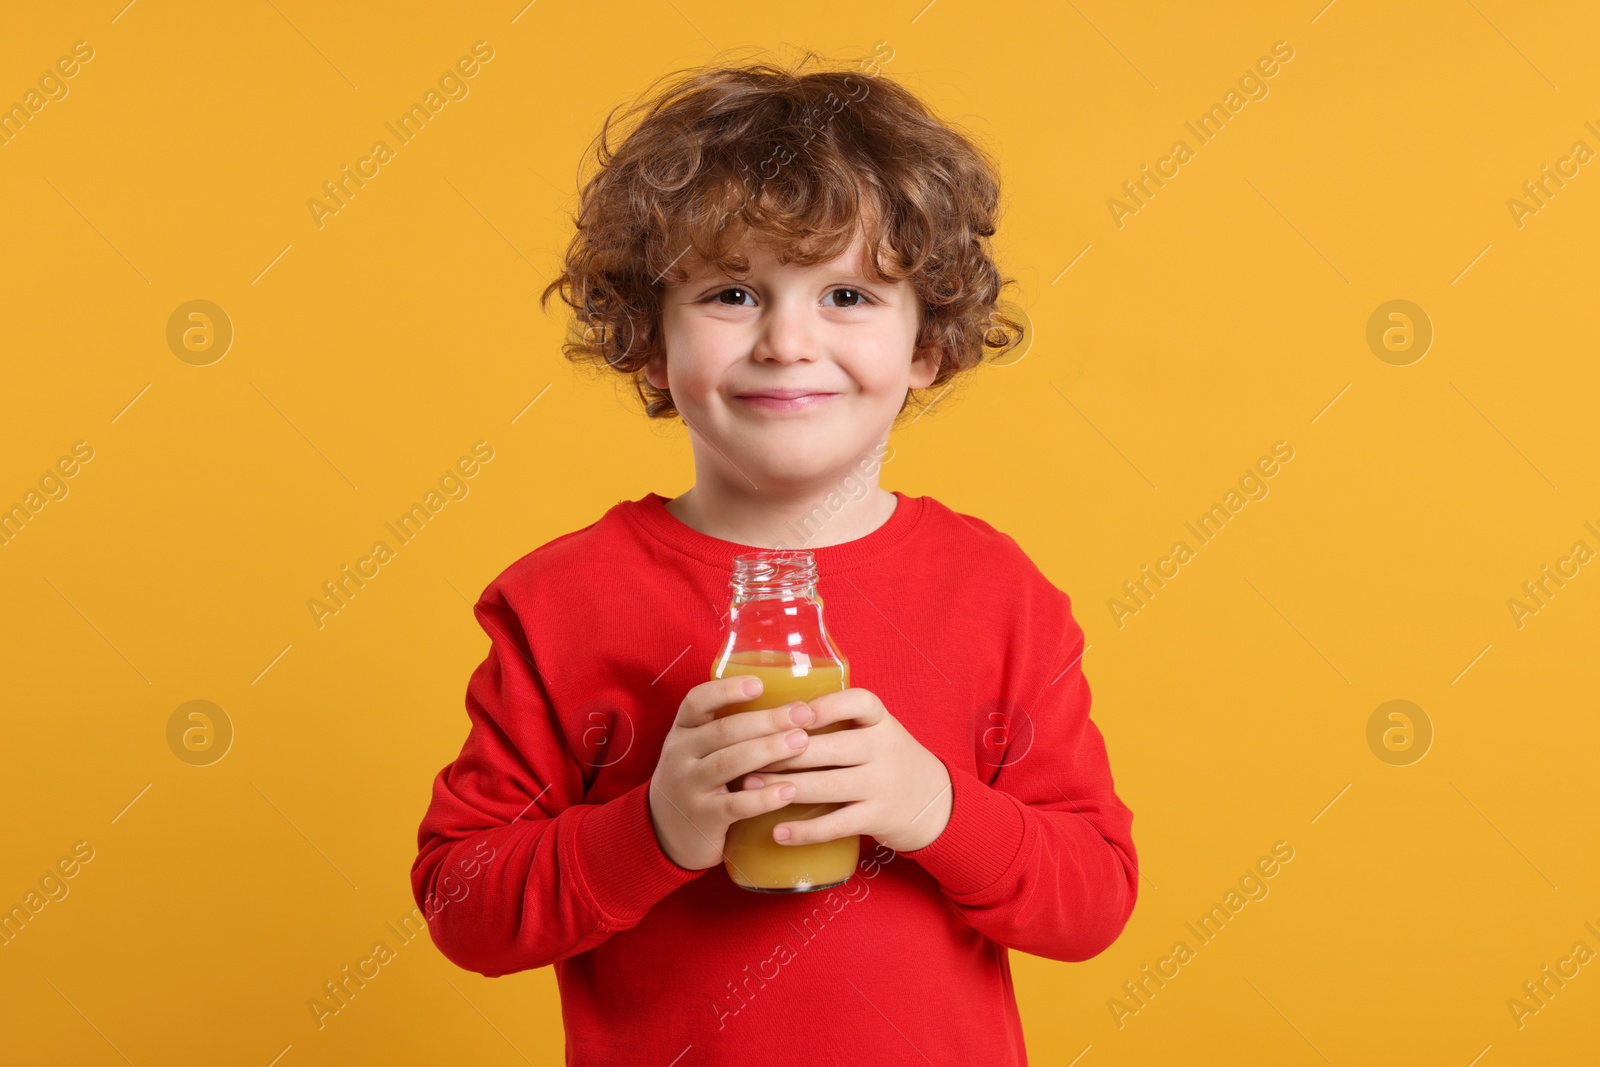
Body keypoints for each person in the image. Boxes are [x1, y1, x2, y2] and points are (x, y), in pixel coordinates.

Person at [410, 46, 1138, 1066]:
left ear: (926, 344)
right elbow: (461, 903)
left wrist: (934, 804)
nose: (787, 342)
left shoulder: (999, 594)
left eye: (846, 297)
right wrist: (653, 828)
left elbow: (1092, 899)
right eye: (731, 295)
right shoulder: (560, 600)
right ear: (649, 342)